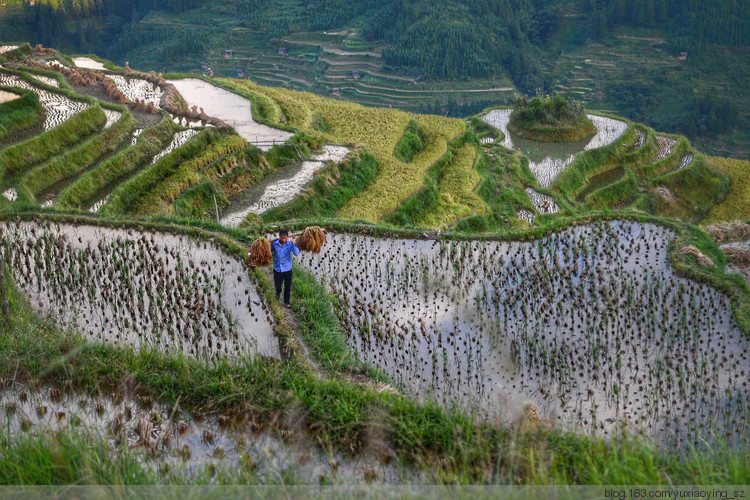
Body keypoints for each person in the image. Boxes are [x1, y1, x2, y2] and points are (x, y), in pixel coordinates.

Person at [271, 229, 299, 308]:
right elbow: (269, 250)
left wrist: (294, 243)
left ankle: (286, 302)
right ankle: (278, 292)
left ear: (287, 237)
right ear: (279, 236)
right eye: (282, 238)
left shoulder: (290, 244)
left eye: (285, 238)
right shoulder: (274, 244)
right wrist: (267, 243)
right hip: (277, 269)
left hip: (287, 269)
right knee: (278, 286)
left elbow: (296, 253)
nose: (283, 240)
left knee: (287, 286)